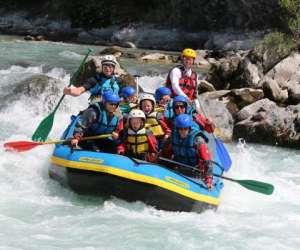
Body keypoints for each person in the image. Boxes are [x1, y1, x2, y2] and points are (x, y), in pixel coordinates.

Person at [167, 114, 213, 190]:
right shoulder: (173, 137)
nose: (183, 131)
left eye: (185, 129)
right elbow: (166, 153)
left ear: (189, 129)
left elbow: (208, 162)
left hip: (195, 172)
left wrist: (208, 180)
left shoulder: (198, 140)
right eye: (180, 129)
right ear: (177, 129)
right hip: (179, 168)